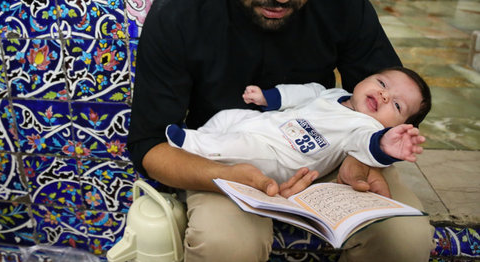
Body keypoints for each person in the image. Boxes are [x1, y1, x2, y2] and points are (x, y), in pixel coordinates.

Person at [128, 0, 434, 262]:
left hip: (328, 152)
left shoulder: (343, 2)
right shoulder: (179, 15)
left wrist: (361, 160)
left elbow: (396, 101)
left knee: (404, 240)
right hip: (227, 159)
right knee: (225, 244)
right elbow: (150, 145)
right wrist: (228, 176)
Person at [166, 67, 431, 184]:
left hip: (281, 158)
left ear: (398, 125)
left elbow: (367, 147)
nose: (385, 96)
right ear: (365, 79)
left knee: (240, 147)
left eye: (396, 106)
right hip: (264, 123)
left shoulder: (365, 129)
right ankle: (201, 135)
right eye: (382, 83)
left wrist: (385, 144)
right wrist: (267, 97)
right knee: (228, 117)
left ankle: (190, 143)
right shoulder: (330, 93)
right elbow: (301, 93)